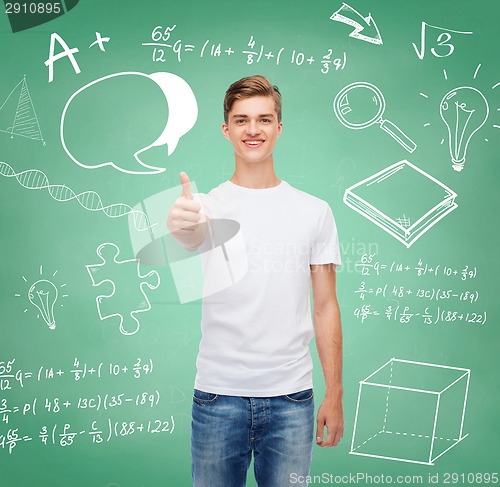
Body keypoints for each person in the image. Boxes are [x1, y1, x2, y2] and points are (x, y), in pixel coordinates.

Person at [167, 75, 343, 486]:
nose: (253, 130)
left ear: (279, 127)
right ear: (226, 129)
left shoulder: (314, 212)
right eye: (241, 120)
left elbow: (325, 305)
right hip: (216, 399)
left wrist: (334, 392)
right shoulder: (205, 207)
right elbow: (187, 235)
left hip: (292, 400)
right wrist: (180, 223)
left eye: (264, 119)